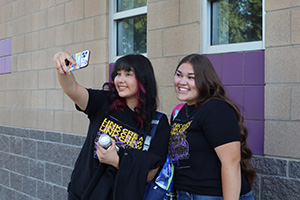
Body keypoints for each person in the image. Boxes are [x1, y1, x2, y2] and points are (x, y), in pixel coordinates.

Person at [53, 52, 170, 200]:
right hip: (82, 193)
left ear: (143, 78)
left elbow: (150, 174)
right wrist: (62, 68)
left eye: (128, 74)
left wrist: (117, 161)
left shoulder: (157, 123)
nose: (120, 80)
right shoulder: (104, 102)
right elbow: (73, 89)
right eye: (118, 74)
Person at [169, 54, 256, 200]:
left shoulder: (216, 109)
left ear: (205, 81)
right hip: (186, 193)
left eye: (191, 77)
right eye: (179, 75)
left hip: (213, 195)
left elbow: (231, 163)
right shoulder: (180, 112)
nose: (182, 82)